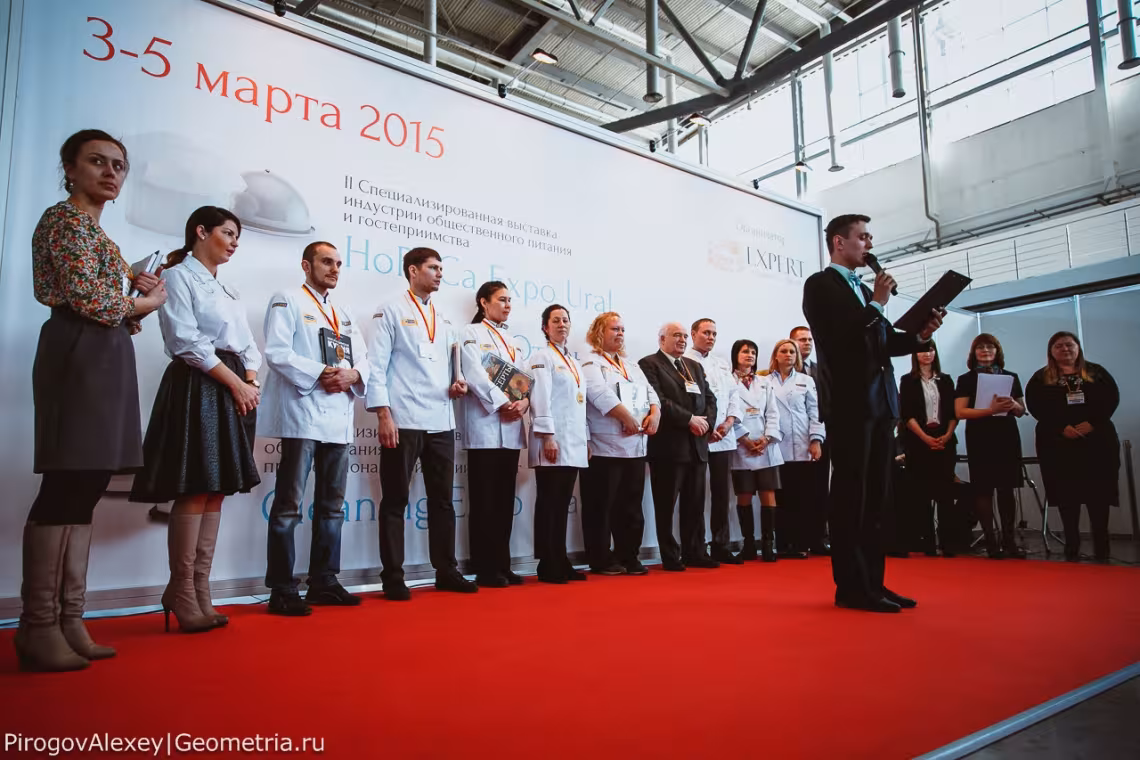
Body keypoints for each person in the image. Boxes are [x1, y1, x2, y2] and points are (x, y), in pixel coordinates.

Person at [16, 129, 166, 671]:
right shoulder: (64, 220)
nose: (110, 172)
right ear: (69, 169)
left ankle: (69, 618)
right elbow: (87, 298)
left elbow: (108, 303)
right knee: (69, 476)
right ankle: (38, 625)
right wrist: (143, 303)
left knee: (91, 479)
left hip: (105, 350)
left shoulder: (98, 233)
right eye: (97, 161)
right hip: (77, 349)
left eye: (118, 165)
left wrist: (132, 295)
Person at [802, 213, 942, 613]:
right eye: (862, 237)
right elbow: (840, 338)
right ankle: (851, 587)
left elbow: (882, 344)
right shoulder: (821, 285)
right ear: (839, 242)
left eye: (869, 237)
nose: (869, 244)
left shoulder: (863, 290)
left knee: (878, 497)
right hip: (850, 404)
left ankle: (874, 583)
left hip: (881, 403)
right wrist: (878, 303)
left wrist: (921, 335)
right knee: (852, 495)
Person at [131, 206, 262, 633]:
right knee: (195, 486)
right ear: (201, 232)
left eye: (238, 236)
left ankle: (200, 588)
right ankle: (182, 589)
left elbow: (247, 344)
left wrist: (250, 380)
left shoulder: (228, 288)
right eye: (228, 233)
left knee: (217, 489)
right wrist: (236, 383)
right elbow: (185, 340)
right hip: (199, 381)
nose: (234, 242)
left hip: (233, 385)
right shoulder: (176, 276)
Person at [259, 242, 369, 616]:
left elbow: (364, 359)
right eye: (326, 262)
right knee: (289, 505)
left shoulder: (344, 312)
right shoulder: (287, 299)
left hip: (338, 416)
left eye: (338, 263)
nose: (334, 268)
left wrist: (354, 375)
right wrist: (322, 372)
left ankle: (324, 581)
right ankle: (282, 588)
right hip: (302, 413)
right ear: (306, 265)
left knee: (332, 506)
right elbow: (277, 353)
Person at [365, 247, 474, 600]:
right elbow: (376, 366)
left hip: (440, 420)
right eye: (433, 267)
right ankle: (393, 577)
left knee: (442, 501)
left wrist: (458, 383)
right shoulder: (390, 309)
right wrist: (383, 414)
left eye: (441, 268)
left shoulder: (444, 319)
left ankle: (446, 570)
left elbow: (452, 369)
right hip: (404, 418)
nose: (440, 274)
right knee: (395, 500)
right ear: (413, 271)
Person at [1025, 332, 1120, 562]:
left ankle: (1102, 548)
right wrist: (1060, 427)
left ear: (1078, 348)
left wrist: (1093, 423)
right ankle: (1072, 547)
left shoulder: (1097, 373)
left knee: (1098, 496)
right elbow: (1035, 405)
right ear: (1051, 351)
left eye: (1069, 345)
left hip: (1096, 443)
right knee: (1067, 497)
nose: (1065, 349)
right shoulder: (1041, 377)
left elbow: (1111, 399)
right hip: (1058, 445)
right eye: (1059, 346)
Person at [580, 312, 661, 576]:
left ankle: (629, 555)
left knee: (631, 507)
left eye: (623, 329)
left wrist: (655, 414)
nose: (620, 334)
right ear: (599, 332)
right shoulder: (590, 362)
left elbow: (651, 393)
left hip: (635, 445)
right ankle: (601, 559)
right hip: (605, 447)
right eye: (614, 329)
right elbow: (599, 394)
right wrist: (627, 418)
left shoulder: (631, 365)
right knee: (601, 507)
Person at [461, 281, 529, 587]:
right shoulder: (471, 333)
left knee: (504, 502)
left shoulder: (513, 340)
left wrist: (523, 403)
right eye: (502, 299)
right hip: (485, 427)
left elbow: (524, 381)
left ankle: (503, 563)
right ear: (483, 302)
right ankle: (485, 568)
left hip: (511, 427)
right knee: (485, 502)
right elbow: (474, 374)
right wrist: (503, 403)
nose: (507, 305)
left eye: (510, 300)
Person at [639, 323, 719, 571]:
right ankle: (670, 555)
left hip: (697, 445)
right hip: (669, 447)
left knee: (695, 504)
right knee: (666, 505)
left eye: (685, 336)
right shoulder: (649, 364)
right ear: (662, 339)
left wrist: (706, 424)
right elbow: (658, 400)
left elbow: (710, 399)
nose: (683, 340)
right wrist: (689, 420)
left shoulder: (693, 366)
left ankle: (695, 551)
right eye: (677, 335)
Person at [527, 305, 590, 583]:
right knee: (549, 503)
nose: (562, 324)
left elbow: (579, 404)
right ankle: (547, 562)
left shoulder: (573, 362)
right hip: (552, 440)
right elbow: (540, 397)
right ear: (545, 327)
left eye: (565, 320)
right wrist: (547, 436)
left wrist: (585, 438)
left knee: (562, 503)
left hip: (573, 441)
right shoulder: (542, 356)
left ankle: (561, 558)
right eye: (555, 320)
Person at [954, 333, 1027, 560]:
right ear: (974, 353)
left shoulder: (1011, 376)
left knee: (1007, 489)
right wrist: (990, 410)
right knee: (983, 489)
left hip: (1007, 436)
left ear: (997, 351)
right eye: (980, 347)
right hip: (980, 437)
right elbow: (960, 412)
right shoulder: (966, 379)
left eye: (990, 347)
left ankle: (1009, 541)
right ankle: (991, 542)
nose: (985, 351)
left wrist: (1014, 404)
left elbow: (1021, 411)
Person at [684, 318, 742, 563]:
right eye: (706, 332)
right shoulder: (683, 361)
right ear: (693, 334)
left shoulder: (721, 363)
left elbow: (733, 395)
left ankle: (721, 545)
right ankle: (695, 547)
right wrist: (707, 429)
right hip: (698, 436)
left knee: (721, 495)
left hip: (723, 436)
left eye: (714, 334)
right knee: (695, 494)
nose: (710, 337)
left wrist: (729, 422)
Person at [899, 342, 959, 557]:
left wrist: (947, 435)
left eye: (931, 350)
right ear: (915, 354)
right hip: (918, 441)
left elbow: (953, 412)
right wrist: (925, 438)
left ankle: (948, 542)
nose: (927, 354)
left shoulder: (946, 380)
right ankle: (927, 542)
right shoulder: (908, 381)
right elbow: (907, 415)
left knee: (946, 493)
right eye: (922, 350)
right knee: (921, 494)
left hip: (945, 439)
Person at [726, 340, 785, 561]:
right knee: (744, 494)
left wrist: (767, 438)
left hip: (765, 446)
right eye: (745, 351)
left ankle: (768, 544)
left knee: (768, 492)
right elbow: (727, 412)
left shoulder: (764, 382)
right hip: (741, 445)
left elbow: (773, 413)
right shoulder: (728, 380)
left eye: (753, 352)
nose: (749, 355)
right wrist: (744, 439)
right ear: (735, 355)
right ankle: (749, 543)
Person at [769, 339, 825, 558]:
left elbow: (815, 412)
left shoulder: (806, 381)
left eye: (792, 351)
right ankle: (784, 544)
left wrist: (816, 440)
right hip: (776, 447)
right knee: (782, 498)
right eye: (783, 351)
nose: (788, 354)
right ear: (776, 355)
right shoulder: (765, 381)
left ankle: (802, 543)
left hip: (802, 445)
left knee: (803, 497)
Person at [791, 325, 830, 555]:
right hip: (792, 438)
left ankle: (818, 538)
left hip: (820, 435)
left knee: (819, 488)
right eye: (802, 339)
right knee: (796, 490)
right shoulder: (781, 371)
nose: (807, 343)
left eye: (809, 340)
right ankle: (796, 539)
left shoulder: (820, 369)